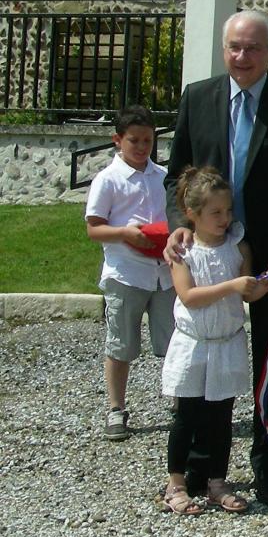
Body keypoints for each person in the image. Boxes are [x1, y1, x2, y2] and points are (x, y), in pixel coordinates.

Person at [164, 9, 268, 504]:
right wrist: (179, 229)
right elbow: (175, 179)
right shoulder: (199, 98)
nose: (241, 56)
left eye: (252, 48)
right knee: (206, 362)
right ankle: (195, 471)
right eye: (234, 46)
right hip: (208, 259)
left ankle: (267, 465)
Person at [160, 167, 264, 516]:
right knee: (187, 415)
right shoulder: (183, 251)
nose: (224, 218)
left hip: (226, 342)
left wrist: (262, 286)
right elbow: (189, 296)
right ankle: (176, 482)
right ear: (193, 214)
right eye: (215, 213)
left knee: (221, 415)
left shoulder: (237, 245)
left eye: (228, 211)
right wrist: (232, 288)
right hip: (195, 344)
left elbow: (247, 290)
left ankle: (216, 480)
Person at [84, 104, 175, 442]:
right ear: (118, 141)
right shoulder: (108, 179)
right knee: (121, 343)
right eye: (134, 141)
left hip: (163, 272)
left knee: (174, 341)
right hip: (126, 272)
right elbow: (94, 228)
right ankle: (115, 407)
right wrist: (125, 233)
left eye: (147, 141)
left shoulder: (162, 176)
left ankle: (182, 401)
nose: (141, 148)